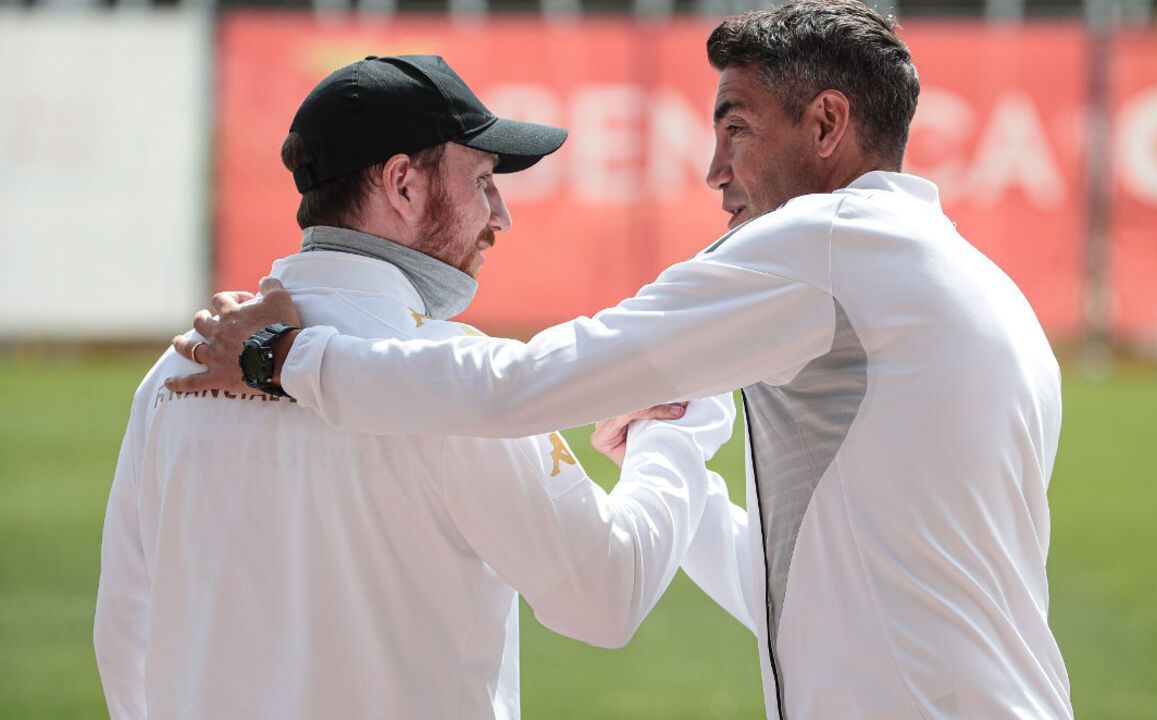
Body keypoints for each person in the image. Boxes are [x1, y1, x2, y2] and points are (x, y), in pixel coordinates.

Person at [173, 2, 1073, 718]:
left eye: (738, 128)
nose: (714, 170)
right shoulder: (973, 284)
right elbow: (813, 587)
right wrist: (669, 458)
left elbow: (522, 387)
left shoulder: (825, 242)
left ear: (828, 123)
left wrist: (281, 356)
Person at [94, 54, 741, 720]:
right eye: (484, 180)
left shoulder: (179, 371)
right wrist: (672, 435)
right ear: (402, 184)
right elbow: (608, 594)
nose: (501, 215)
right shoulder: (450, 382)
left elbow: (125, 633)